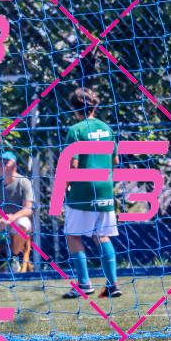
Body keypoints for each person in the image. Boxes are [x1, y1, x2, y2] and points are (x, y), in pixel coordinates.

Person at [61, 87, 121, 299]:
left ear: (73, 107)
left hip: (83, 188)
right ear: (95, 106)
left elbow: (73, 164)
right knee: (101, 235)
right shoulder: (107, 128)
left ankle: (84, 283)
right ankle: (112, 284)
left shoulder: (75, 130)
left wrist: (65, 187)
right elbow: (115, 161)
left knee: (73, 235)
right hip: (105, 187)